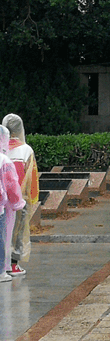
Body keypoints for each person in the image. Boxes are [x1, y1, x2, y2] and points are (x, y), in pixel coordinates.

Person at [2, 114, 38, 276]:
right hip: (19, 198)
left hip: (2, 200)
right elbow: (31, 177)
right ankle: (13, 265)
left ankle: (2, 264)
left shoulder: (2, 150)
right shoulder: (26, 150)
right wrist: (32, 198)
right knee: (18, 231)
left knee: (3, 231)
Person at [0, 125, 24, 283]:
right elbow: (11, 185)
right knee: (0, 238)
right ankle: (1, 271)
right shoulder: (4, 160)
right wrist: (18, 203)